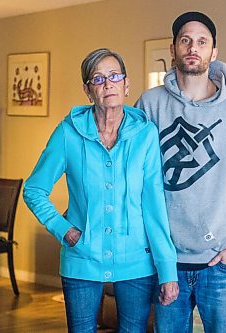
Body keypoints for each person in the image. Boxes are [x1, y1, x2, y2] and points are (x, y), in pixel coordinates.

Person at [135, 12, 226, 332]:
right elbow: (135, 180)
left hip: (220, 264)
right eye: (185, 40)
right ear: (173, 49)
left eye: (201, 41)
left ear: (214, 51)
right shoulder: (150, 104)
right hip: (166, 263)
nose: (192, 47)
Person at [23, 48, 179, 333]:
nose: (108, 84)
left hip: (136, 261)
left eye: (114, 76)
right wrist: (64, 230)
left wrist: (168, 271)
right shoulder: (68, 133)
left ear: (126, 84)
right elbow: (34, 189)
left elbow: (154, 206)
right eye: (98, 79)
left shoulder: (145, 135)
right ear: (87, 90)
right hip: (82, 258)